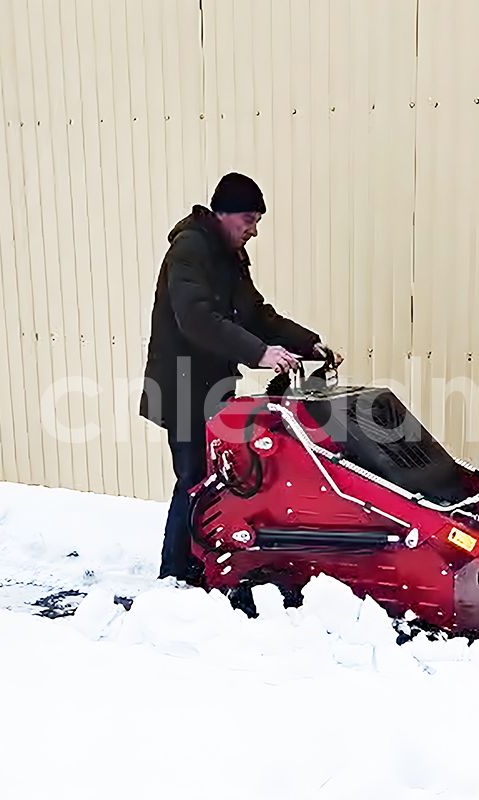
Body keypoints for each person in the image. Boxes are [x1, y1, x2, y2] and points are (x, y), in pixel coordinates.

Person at [140, 172, 341, 581]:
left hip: (212, 384)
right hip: (181, 385)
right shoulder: (189, 250)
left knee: (218, 479)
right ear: (224, 213)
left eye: (257, 221)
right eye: (249, 220)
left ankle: (203, 565)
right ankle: (175, 575)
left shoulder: (230, 256)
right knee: (194, 479)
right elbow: (196, 318)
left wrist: (309, 344)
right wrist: (259, 353)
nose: (254, 230)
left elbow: (256, 315)